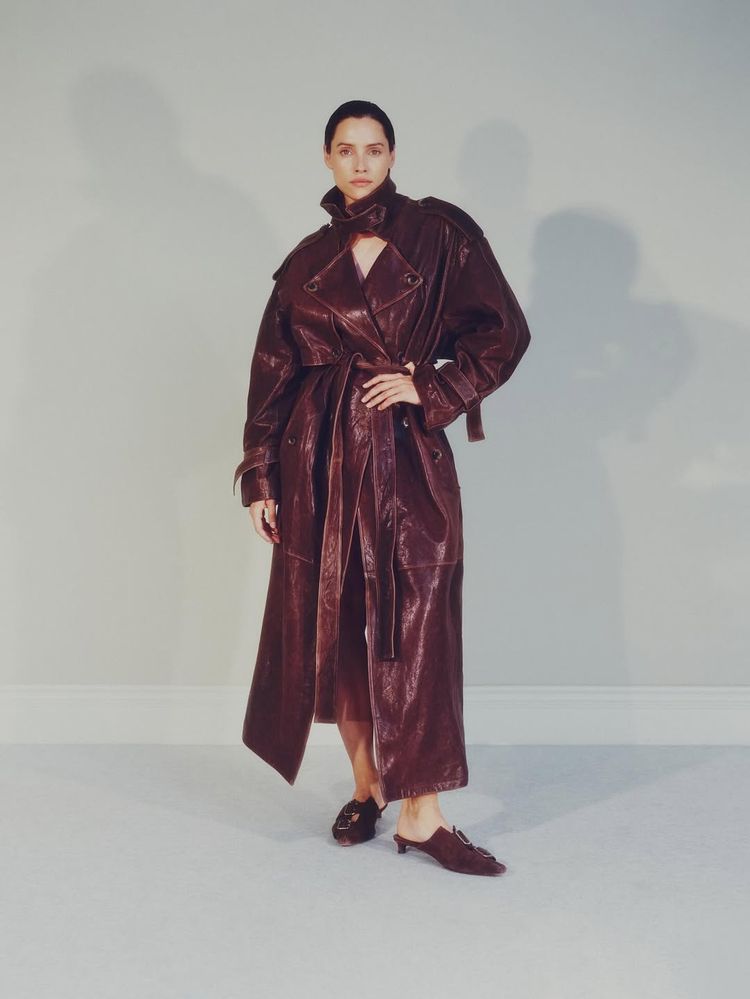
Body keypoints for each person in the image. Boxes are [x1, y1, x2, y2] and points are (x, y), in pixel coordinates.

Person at [233, 100, 531, 876]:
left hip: (405, 454)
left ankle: (423, 812)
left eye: (374, 148)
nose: (360, 162)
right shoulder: (304, 261)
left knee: (419, 626)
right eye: (346, 149)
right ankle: (367, 786)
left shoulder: (440, 234)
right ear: (326, 159)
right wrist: (261, 474)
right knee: (339, 631)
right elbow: (273, 372)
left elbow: (503, 332)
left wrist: (432, 386)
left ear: (394, 155)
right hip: (318, 460)